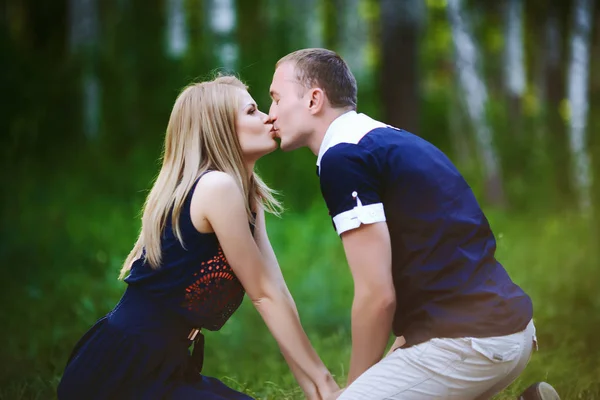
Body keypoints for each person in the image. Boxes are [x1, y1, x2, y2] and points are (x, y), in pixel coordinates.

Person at [267, 48, 560, 400]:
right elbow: (427, 271)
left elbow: (377, 297)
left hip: (473, 344)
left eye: (276, 98)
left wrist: (355, 390)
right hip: (509, 332)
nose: (271, 115)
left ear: (314, 99)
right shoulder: (388, 140)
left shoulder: (342, 157)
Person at [58, 75, 339, 400]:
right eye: (251, 111)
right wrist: (328, 387)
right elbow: (263, 295)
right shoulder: (215, 187)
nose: (268, 117)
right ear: (219, 128)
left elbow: (276, 292)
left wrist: (318, 390)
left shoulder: (247, 196)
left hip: (170, 367)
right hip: (120, 371)